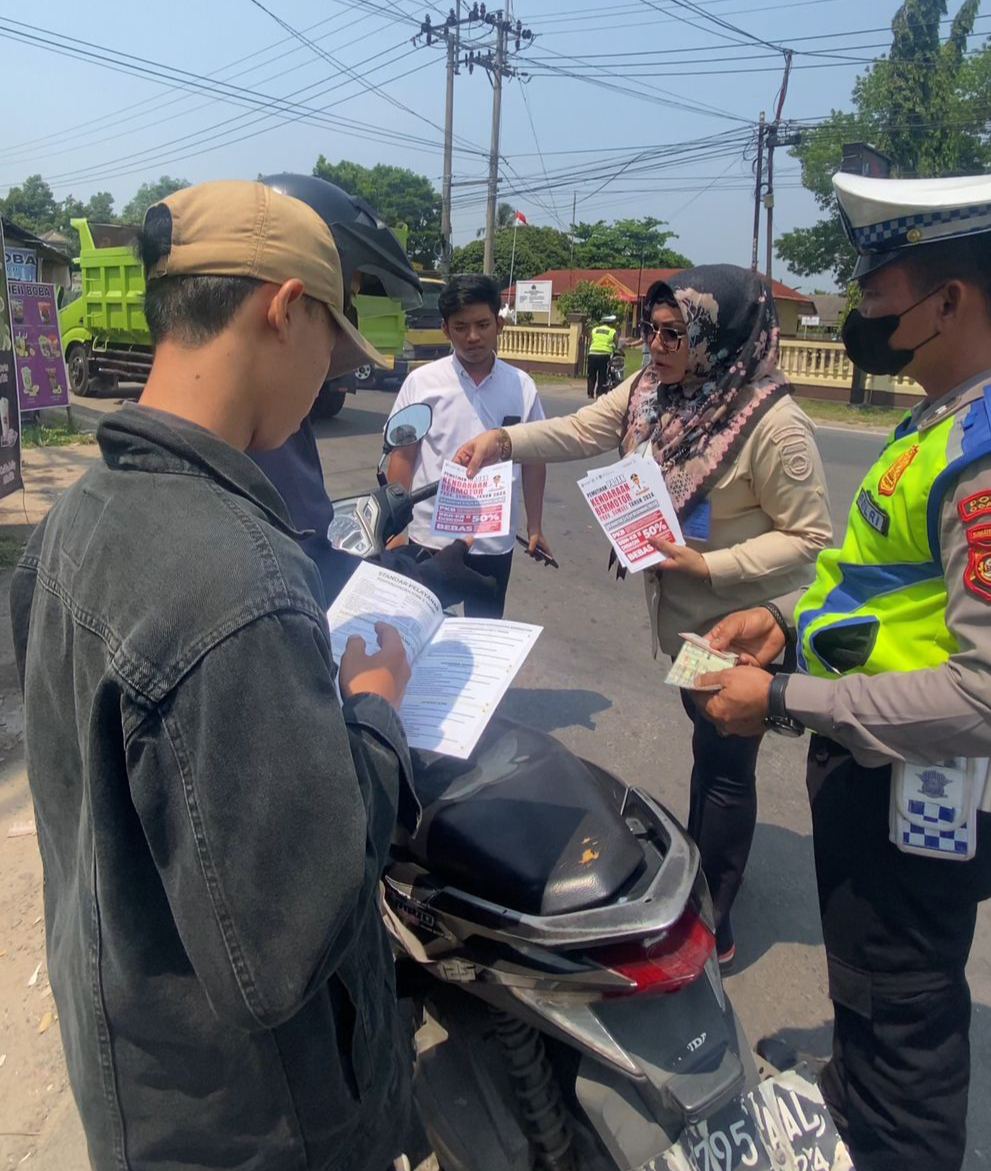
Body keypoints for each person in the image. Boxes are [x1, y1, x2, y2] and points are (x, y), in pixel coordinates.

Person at [11, 180, 419, 1171]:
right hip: (260, 1123)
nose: (330, 380)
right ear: (283, 311)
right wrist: (372, 717)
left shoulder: (80, 515)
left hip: (137, 1074)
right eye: (331, 345)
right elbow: (286, 940)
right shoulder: (236, 569)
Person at [695, 172, 991, 1171]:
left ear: (948, 302)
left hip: (920, 782)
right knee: (866, 975)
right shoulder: (936, 420)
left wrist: (779, 701)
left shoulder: (983, 453)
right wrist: (782, 625)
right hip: (871, 764)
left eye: (877, 298)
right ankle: (849, 1092)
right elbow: (877, 588)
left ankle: (890, 1130)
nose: (861, 317)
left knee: (903, 1001)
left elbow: (981, 692)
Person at [455, 265, 832, 967]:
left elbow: (810, 538)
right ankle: (699, 868)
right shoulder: (653, 392)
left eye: (672, 333)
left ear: (719, 339)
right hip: (681, 617)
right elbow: (575, 429)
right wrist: (503, 443)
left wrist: (709, 567)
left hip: (736, 626)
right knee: (705, 743)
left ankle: (713, 919)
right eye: (649, 330)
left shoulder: (771, 425)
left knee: (724, 764)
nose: (652, 346)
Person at [386, 273, 552, 620]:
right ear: (446, 329)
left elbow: (535, 459)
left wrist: (534, 526)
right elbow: (403, 456)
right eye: (461, 327)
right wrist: (395, 529)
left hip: (493, 542)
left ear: (499, 324)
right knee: (419, 633)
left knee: (483, 639)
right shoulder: (421, 383)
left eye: (482, 324)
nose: (473, 336)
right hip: (428, 539)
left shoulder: (521, 387)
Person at [586, 313, 619, 398]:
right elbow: (616, 344)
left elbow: (591, 341)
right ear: (611, 323)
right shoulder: (612, 331)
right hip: (604, 355)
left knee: (591, 374)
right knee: (602, 375)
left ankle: (590, 393)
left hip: (592, 353)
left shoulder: (594, 330)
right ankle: (599, 393)